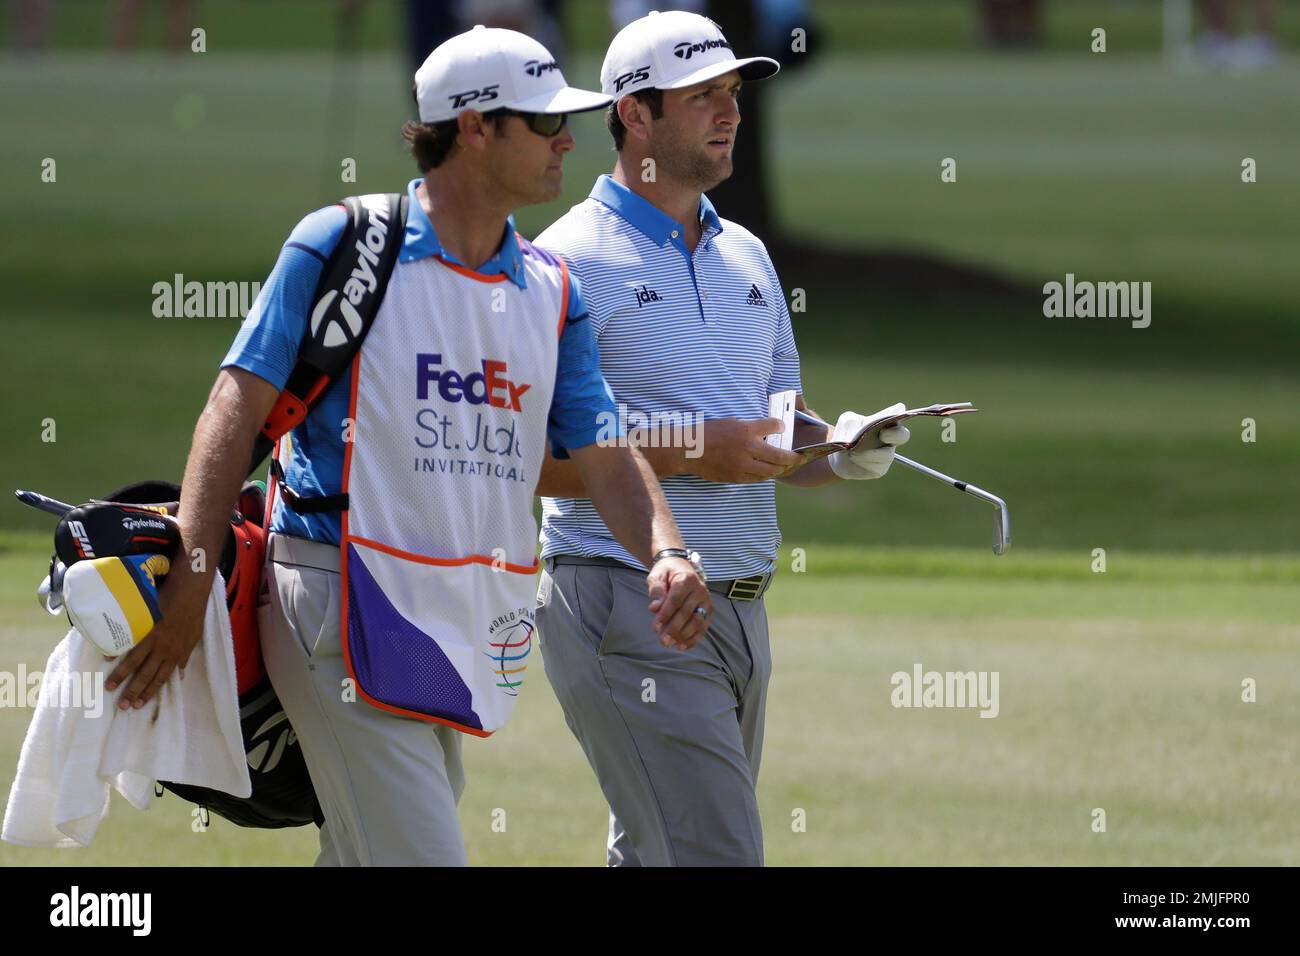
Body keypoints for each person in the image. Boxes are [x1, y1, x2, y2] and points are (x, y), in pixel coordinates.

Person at [104, 25, 711, 866]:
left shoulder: (550, 291)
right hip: (337, 600)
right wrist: (193, 581)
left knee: (367, 853)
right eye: (543, 122)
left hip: (457, 621)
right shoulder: (344, 245)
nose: (568, 138)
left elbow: (605, 453)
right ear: (473, 127)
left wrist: (667, 551)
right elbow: (231, 411)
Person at [533, 10, 911, 866]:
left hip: (742, 607)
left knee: (657, 852)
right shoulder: (564, 260)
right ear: (633, 114)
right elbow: (532, 461)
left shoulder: (746, 254)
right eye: (703, 95)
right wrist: (698, 444)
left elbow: (774, 439)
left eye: (732, 93)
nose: (730, 111)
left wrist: (845, 450)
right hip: (623, 596)